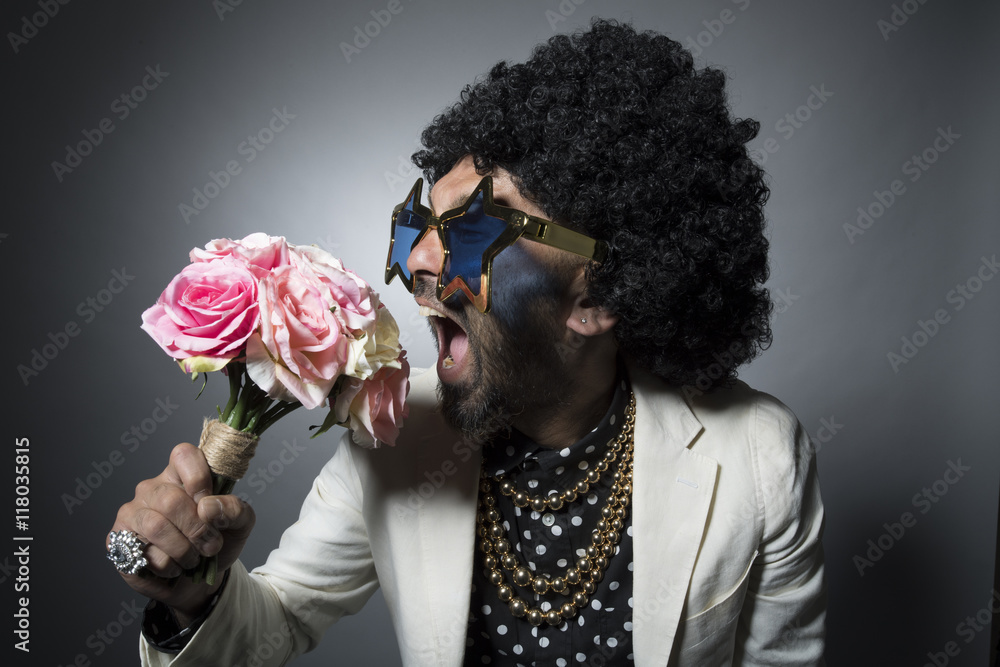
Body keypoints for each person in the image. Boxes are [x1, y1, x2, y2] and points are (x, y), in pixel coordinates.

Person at [109, 19, 826, 666]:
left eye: (478, 229)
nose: (418, 260)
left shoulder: (758, 457)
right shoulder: (393, 430)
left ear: (601, 294)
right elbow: (274, 624)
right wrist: (191, 596)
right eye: (422, 223)